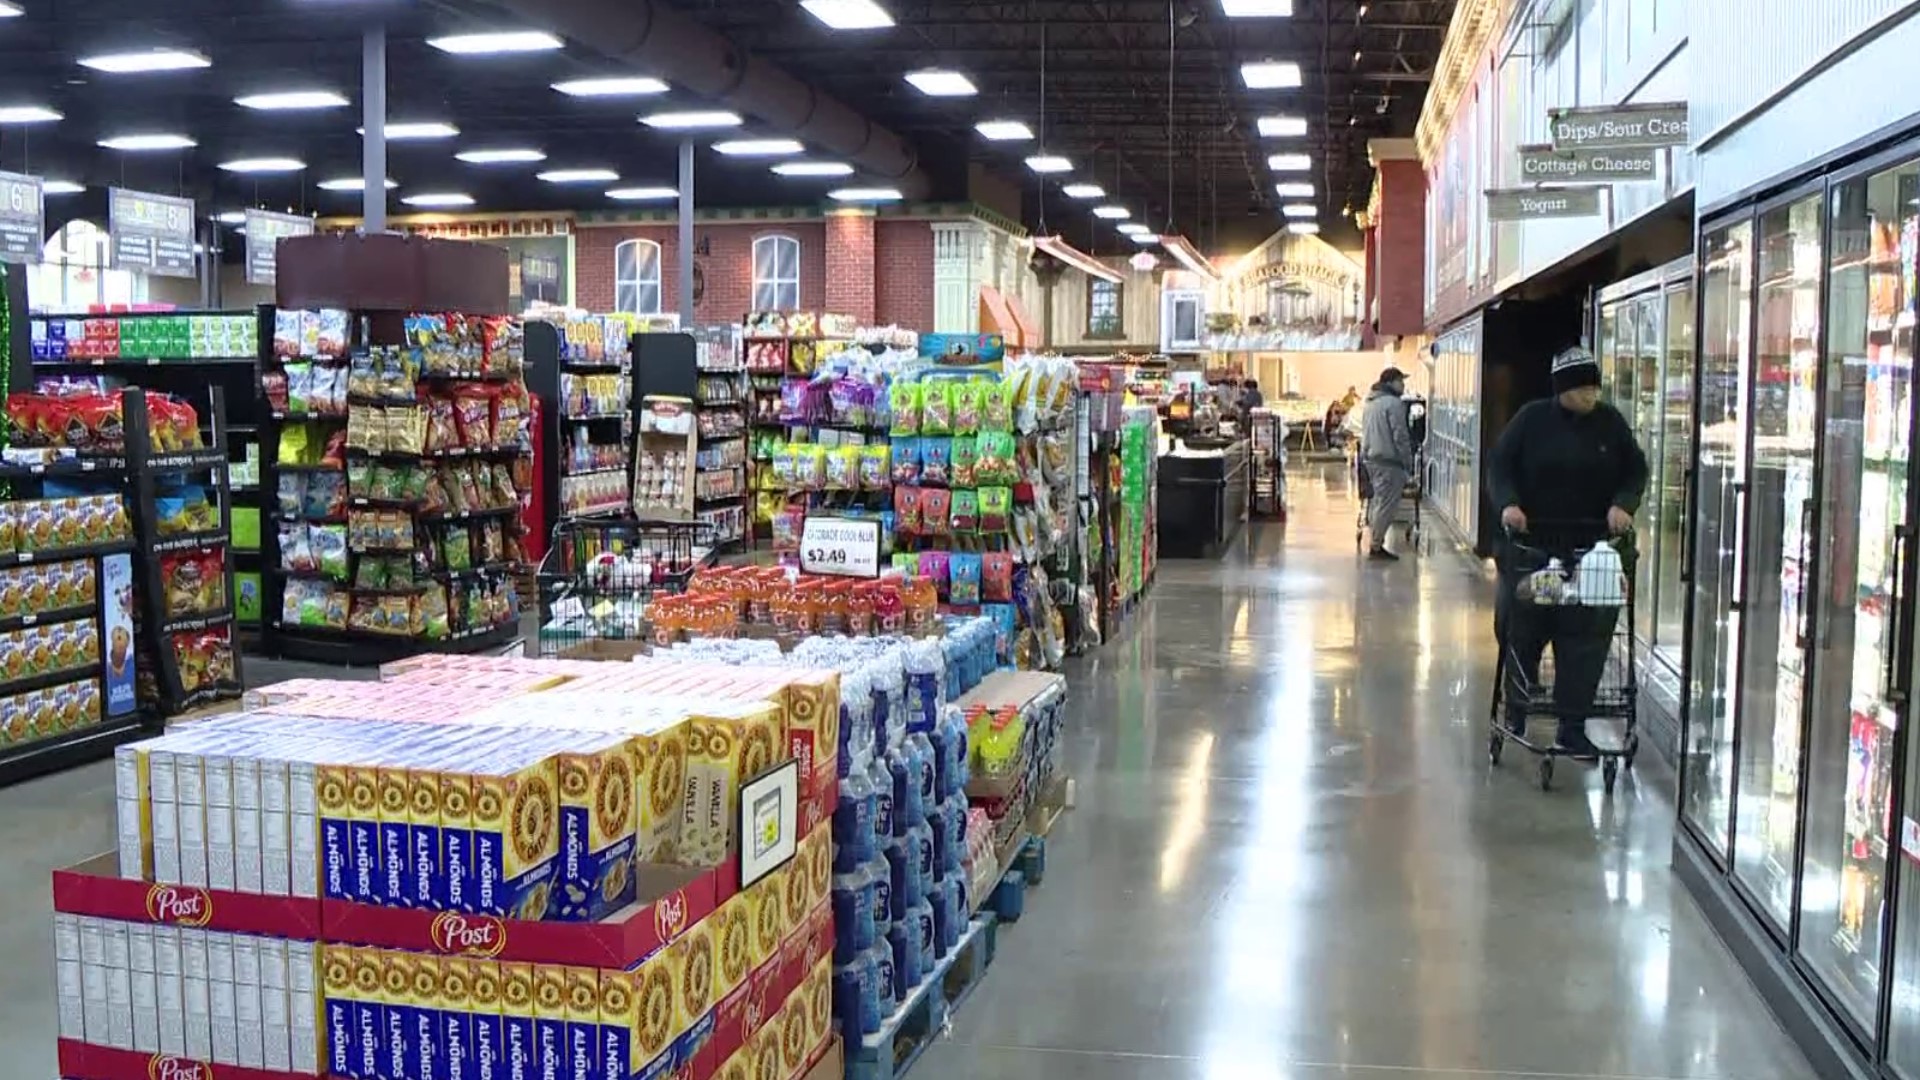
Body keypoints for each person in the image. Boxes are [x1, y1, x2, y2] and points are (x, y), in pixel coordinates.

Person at [1487, 345, 1649, 760]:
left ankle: (1572, 728)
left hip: (1592, 551)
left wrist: (1623, 504)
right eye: (1582, 389)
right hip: (1533, 548)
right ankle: (1518, 710)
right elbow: (1500, 465)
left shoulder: (1610, 423)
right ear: (1562, 390)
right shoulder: (1531, 421)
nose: (1592, 395)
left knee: (1585, 640)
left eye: (1595, 387)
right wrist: (1509, 504)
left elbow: (1635, 469)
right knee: (1523, 631)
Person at [1360, 366, 1415, 560]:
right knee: (1386, 505)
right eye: (1401, 381)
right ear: (1391, 382)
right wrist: (1408, 462)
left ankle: (1375, 541)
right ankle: (1376, 546)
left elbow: (1364, 433)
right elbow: (1400, 435)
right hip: (1389, 462)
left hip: (1372, 460)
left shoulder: (1370, 402)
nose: (1403, 385)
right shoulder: (1393, 404)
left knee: (1378, 502)